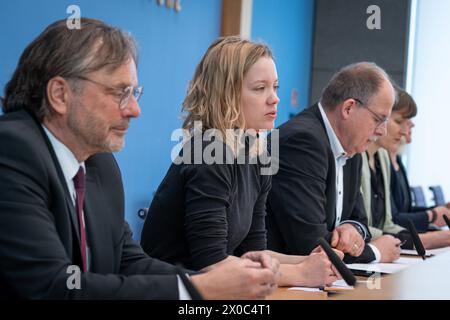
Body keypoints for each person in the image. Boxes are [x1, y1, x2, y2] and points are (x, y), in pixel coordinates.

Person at [0, 18, 278, 300]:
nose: (134, 109)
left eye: (135, 93)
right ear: (60, 94)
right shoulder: (12, 152)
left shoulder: (100, 164)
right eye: (120, 92)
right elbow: (52, 287)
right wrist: (200, 288)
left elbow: (128, 261)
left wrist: (217, 283)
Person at [141, 36, 342, 288]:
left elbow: (255, 252)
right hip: (173, 292)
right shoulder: (209, 152)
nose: (274, 99)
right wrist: (301, 274)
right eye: (260, 88)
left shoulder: (258, 153)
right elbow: (212, 264)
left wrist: (311, 262)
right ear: (226, 95)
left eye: (275, 87)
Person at [266, 62, 400, 264]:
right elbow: (310, 244)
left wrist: (351, 229)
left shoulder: (351, 147)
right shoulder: (303, 142)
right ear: (348, 108)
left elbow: (361, 222)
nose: (383, 131)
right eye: (379, 119)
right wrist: (375, 252)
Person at [387, 89, 450, 232]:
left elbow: (405, 211)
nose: (409, 127)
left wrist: (439, 210)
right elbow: (390, 220)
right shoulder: (380, 163)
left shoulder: (397, 160)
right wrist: (432, 214)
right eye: (400, 121)